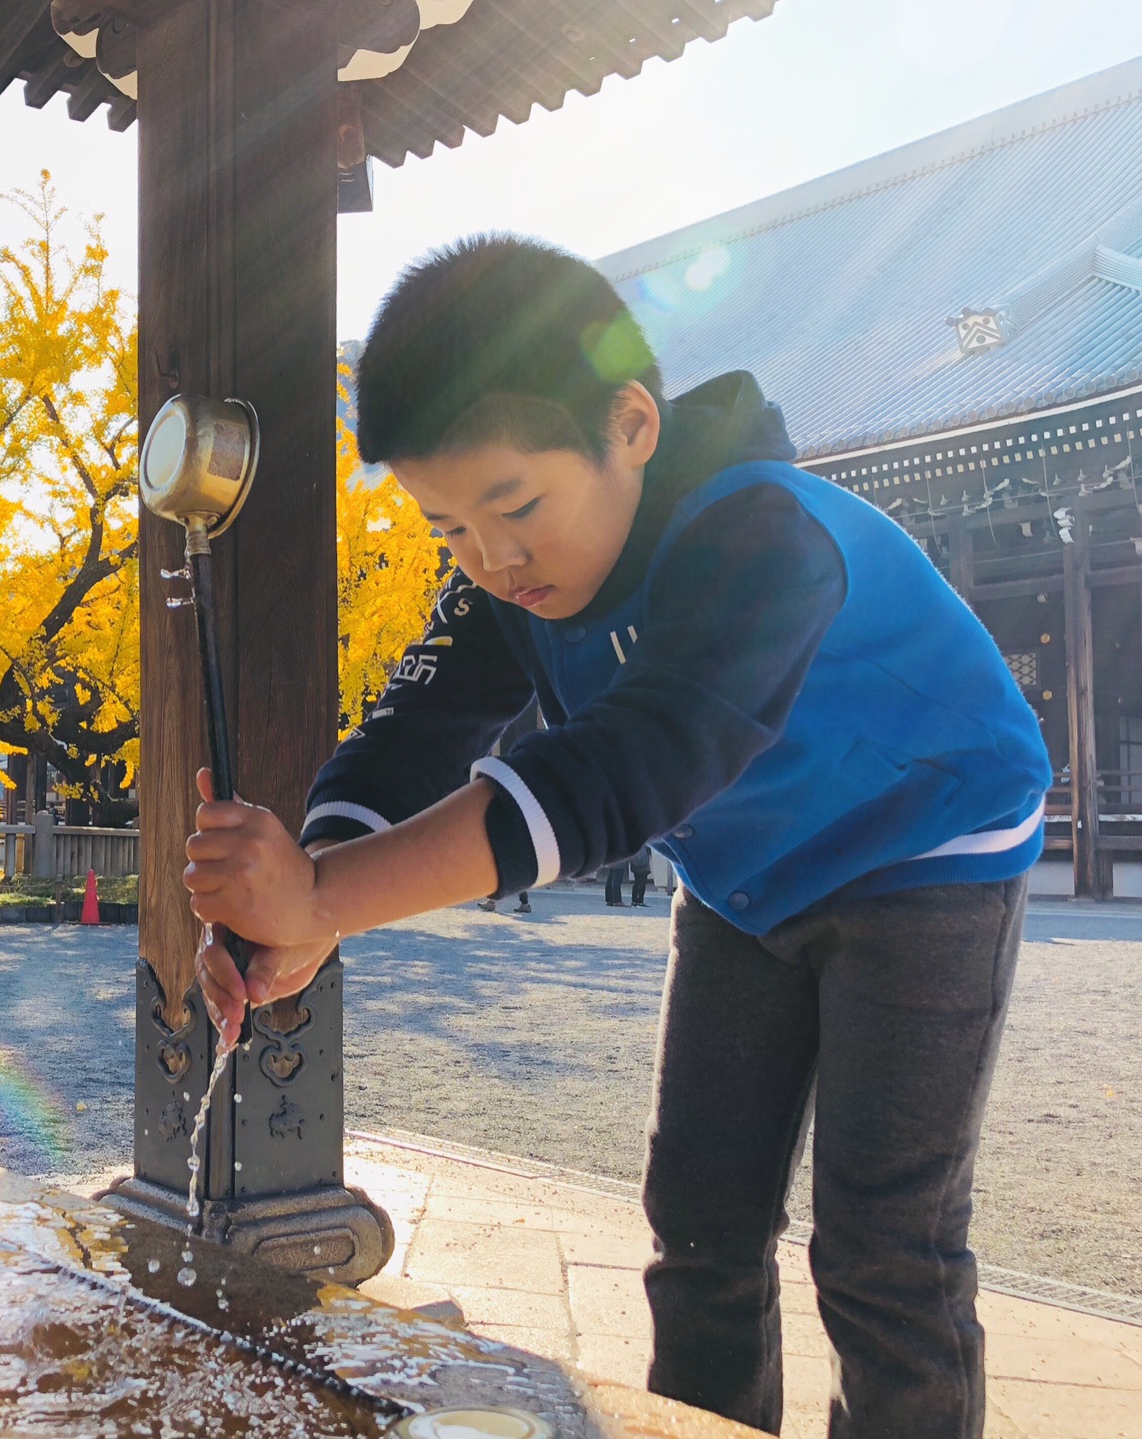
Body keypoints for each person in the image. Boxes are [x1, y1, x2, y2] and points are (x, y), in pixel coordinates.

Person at [180, 235, 1048, 1439]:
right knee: (696, 1223)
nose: (492, 557)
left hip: (927, 846)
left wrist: (320, 900)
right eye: (448, 527)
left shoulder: (761, 536)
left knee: (881, 1246)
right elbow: (416, 725)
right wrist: (313, 890)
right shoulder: (508, 579)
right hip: (746, 878)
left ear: (631, 424)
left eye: (516, 504)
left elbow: (627, 768)